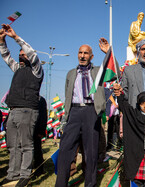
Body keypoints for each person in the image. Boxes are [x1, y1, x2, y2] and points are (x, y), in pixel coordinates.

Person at [55, 38, 119, 187]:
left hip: (92, 112)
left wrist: (109, 52)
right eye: (80, 53)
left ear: (91, 56)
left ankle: (90, 184)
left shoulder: (98, 71)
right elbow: (67, 94)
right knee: (65, 149)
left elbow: (115, 71)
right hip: (74, 112)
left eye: (86, 53)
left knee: (91, 153)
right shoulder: (71, 73)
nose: (82, 56)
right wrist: (66, 115)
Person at [0, 24, 44, 187]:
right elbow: (6, 57)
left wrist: (16, 38)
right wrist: (2, 42)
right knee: (13, 145)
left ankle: (25, 175)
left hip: (27, 110)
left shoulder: (36, 70)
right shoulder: (18, 69)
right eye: (20, 55)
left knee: (26, 144)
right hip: (13, 110)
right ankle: (12, 174)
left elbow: (31, 53)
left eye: (23, 54)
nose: (21, 56)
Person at [33, 96, 48, 177]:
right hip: (27, 128)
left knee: (37, 150)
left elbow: (43, 116)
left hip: (37, 129)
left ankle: (39, 169)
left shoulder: (41, 99)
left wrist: (41, 130)